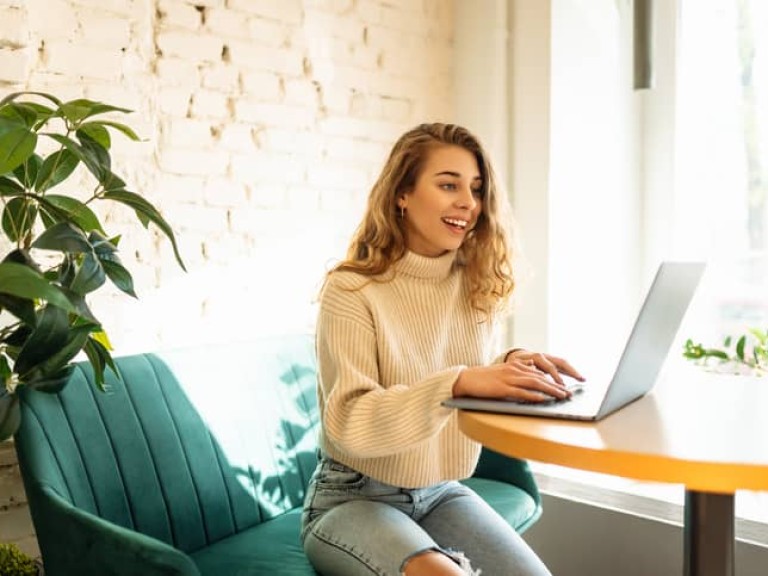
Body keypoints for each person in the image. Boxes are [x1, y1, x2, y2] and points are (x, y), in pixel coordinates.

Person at [301, 123, 584, 576]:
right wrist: (461, 380)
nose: (468, 203)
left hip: (439, 490)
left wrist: (506, 367)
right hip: (352, 498)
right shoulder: (351, 289)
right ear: (402, 194)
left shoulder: (473, 282)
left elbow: (444, 374)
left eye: (475, 189)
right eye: (448, 184)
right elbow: (350, 421)